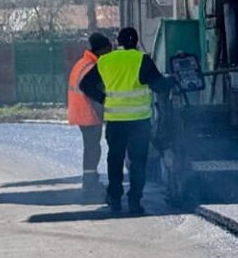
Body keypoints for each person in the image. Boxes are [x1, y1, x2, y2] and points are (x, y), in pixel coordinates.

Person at [76, 27, 173, 215]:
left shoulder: (105, 61)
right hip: (139, 122)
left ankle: (114, 198)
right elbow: (159, 86)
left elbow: (85, 84)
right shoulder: (142, 59)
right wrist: (172, 80)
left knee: (115, 160)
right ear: (136, 41)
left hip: (115, 121)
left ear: (117, 42)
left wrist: (103, 99)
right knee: (138, 162)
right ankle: (134, 201)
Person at [68, 32, 113, 198]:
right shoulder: (91, 66)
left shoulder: (83, 63)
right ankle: (89, 183)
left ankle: (90, 180)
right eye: (108, 49)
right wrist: (104, 106)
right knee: (93, 148)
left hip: (80, 110)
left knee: (91, 147)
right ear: (101, 49)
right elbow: (91, 90)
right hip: (87, 112)